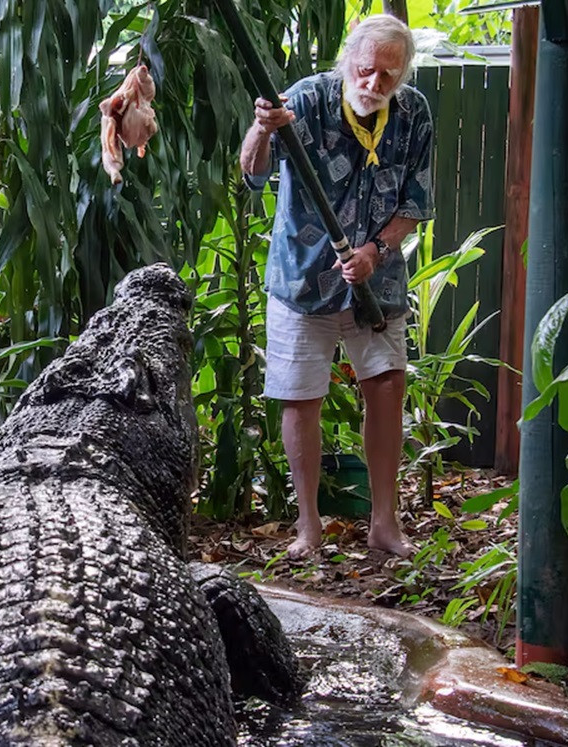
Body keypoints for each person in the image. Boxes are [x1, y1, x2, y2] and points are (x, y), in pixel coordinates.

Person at [239, 15, 434, 558]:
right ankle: (308, 527)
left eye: (387, 77)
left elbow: (415, 205)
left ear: (403, 75)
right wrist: (262, 127)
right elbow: (252, 173)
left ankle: (384, 525)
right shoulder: (304, 100)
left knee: (388, 387)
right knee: (301, 398)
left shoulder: (414, 113)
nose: (373, 84)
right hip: (303, 280)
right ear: (348, 60)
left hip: (377, 282)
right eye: (366, 70)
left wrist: (377, 250)